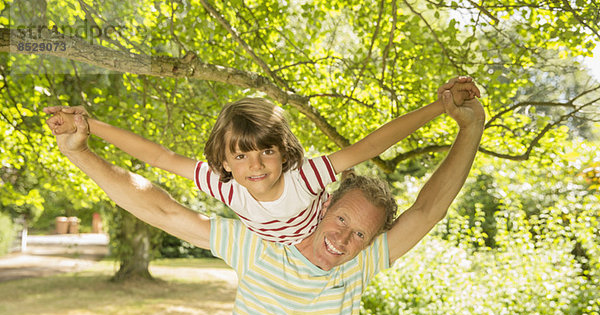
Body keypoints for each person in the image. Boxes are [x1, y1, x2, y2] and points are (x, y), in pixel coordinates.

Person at [47, 82, 485, 315]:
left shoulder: (359, 266)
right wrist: (81, 150)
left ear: (370, 243)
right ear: (324, 204)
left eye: (360, 235)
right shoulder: (254, 247)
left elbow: (429, 208)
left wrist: (469, 127)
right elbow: (157, 206)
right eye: (342, 220)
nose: (343, 238)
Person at [44, 77, 480, 244]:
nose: (256, 165)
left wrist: (438, 108)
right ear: (225, 161)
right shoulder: (223, 184)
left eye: (267, 150)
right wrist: (89, 124)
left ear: (283, 152)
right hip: (271, 255)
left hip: (317, 247)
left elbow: (368, 147)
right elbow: (158, 156)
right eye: (241, 154)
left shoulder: (305, 177)